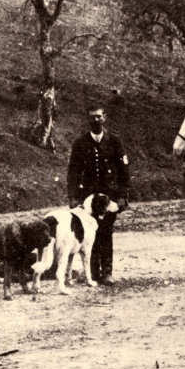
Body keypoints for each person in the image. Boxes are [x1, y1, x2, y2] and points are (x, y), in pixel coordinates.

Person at [67, 104, 131, 286]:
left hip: (109, 197)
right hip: (88, 199)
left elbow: (124, 171)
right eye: (92, 117)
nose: (96, 120)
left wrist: (122, 196)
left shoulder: (114, 142)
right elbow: (73, 172)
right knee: (89, 234)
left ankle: (107, 272)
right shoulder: (80, 143)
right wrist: (73, 197)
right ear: (88, 119)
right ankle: (94, 272)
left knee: (106, 232)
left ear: (104, 118)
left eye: (98, 116)